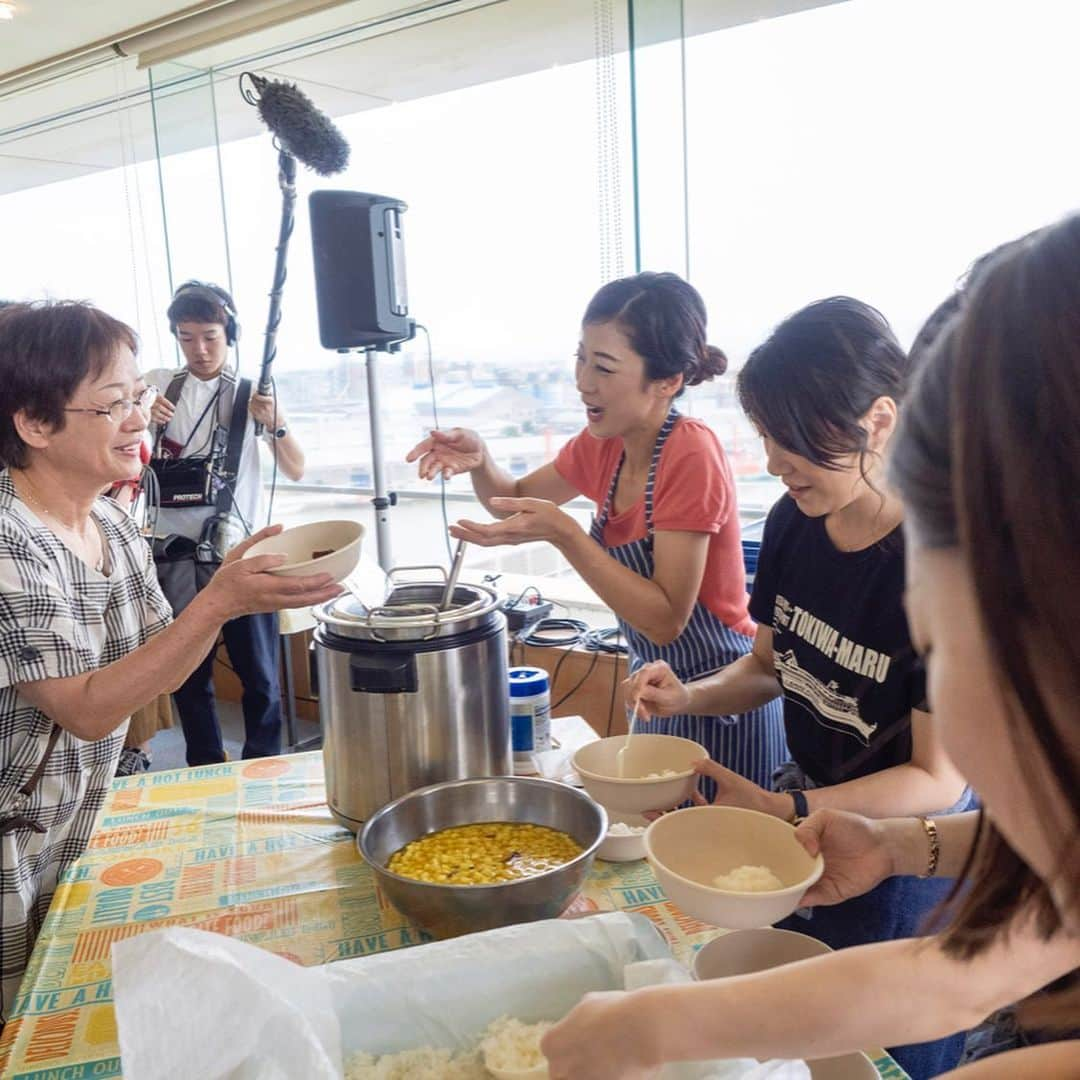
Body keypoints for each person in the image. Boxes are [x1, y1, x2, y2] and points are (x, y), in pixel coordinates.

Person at [540, 219, 1080, 1078]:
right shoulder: (798, 525)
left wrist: (849, 832)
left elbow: (948, 935)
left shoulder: (951, 565)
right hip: (861, 832)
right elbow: (960, 972)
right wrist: (894, 844)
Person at [626, 296, 970, 1077]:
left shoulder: (940, 564)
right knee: (810, 1033)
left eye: (794, 442)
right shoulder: (792, 521)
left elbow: (937, 778)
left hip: (904, 847)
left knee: (892, 1050)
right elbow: (766, 668)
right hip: (808, 811)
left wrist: (797, 811)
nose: (776, 462)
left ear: (879, 420)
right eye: (768, 439)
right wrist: (688, 695)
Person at [0, 301, 339, 1017]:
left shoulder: (114, 523)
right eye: (112, 404)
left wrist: (223, 592)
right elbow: (90, 711)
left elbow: (166, 659)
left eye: (136, 398)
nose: (139, 418)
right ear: (33, 424)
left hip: (78, 824)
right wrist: (217, 604)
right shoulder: (9, 542)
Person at [407, 272, 786, 790]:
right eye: (581, 358)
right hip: (654, 690)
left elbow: (665, 619)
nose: (584, 381)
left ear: (667, 382)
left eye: (604, 366)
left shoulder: (690, 453)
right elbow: (512, 496)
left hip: (724, 695)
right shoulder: (603, 442)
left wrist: (566, 535)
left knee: (725, 856)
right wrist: (480, 459)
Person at [145, 281, 306, 766]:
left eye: (210, 336)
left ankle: (264, 765)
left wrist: (275, 422)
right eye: (187, 337)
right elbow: (119, 458)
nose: (199, 349)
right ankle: (205, 765)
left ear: (229, 334)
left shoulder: (252, 393)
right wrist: (137, 415)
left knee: (259, 673)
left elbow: (296, 467)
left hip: (238, 553)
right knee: (188, 672)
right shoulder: (157, 383)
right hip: (171, 549)